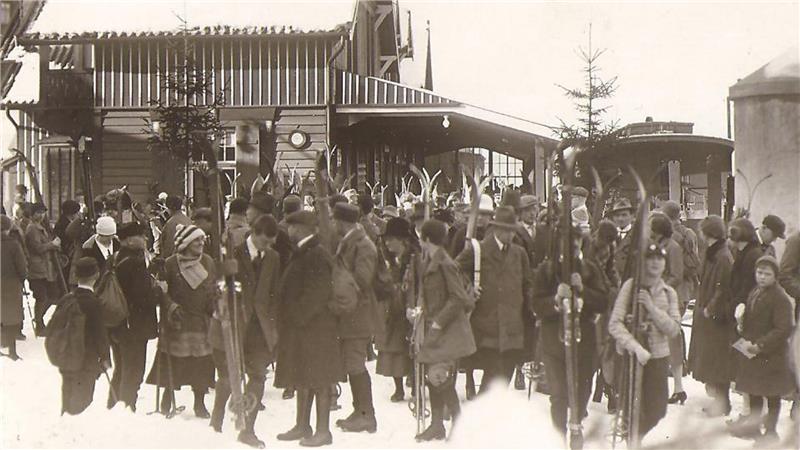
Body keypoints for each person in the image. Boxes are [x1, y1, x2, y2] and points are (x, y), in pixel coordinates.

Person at [532, 222, 609, 441]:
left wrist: (584, 290)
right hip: (554, 341)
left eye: (576, 246)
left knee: (582, 391)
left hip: (584, 341)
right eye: (567, 247)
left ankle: (576, 425)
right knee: (558, 395)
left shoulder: (590, 269)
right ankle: (559, 436)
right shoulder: (546, 271)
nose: (573, 251)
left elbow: (603, 301)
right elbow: (535, 305)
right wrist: (555, 299)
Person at [210, 214, 282, 448]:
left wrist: (273, 325)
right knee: (228, 377)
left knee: (258, 377)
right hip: (233, 324)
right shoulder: (232, 254)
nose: (267, 246)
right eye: (264, 241)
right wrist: (226, 276)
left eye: (271, 243)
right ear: (254, 233)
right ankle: (216, 422)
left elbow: (274, 293)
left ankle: (247, 429)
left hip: (259, 329)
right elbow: (215, 288)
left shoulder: (273, 257)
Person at [275, 211, 344, 447]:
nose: (287, 230)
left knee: (320, 379)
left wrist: (296, 317)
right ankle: (303, 424)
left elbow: (318, 293)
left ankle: (323, 431)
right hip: (306, 328)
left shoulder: (315, 254)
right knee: (303, 376)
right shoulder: (307, 251)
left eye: (291, 226)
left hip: (316, 328)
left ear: (301, 228)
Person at [411, 219, 477, 441]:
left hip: (447, 330)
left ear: (426, 238)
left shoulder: (445, 264)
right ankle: (438, 425)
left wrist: (438, 321)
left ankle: (457, 425)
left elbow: (458, 298)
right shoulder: (431, 260)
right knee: (433, 379)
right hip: (436, 329)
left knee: (440, 379)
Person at [608, 243, 681, 440]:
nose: (656, 263)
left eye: (660, 258)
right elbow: (615, 324)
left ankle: (635, 438)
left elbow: (674, 329)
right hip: (631, 357)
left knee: (657, 409)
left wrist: (651, 307)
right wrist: (635, 347)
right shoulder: (631, 287)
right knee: (631, 408)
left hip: (658, 358)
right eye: (651, 258)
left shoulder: (669, 293)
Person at [456, 206, 533, 391]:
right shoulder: (479, 250)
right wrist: (469, 288)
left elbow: (527, 283)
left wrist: (532, 308)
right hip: (487, 326)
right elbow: (455, 269)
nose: (512, 235)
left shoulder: (519, 253)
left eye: (514, 231)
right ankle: (485, 417)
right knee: (493, 378)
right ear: (498, 229)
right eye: (509, 230)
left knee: (504, 377)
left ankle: (488, 415)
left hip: (513, 327)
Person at [145, 224, 216, 418]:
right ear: (186, 243)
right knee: (174, 362)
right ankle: (167, 400)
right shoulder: (170, 264)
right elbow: (162, 291)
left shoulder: (208, 262)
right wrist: (170, 305)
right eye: (197, 240)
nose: (201, 243)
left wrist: (216, 303)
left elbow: (212, 289)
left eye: (202, 239)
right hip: (178, 321)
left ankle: (200, 404)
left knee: (201, 364)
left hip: (201, 321)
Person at [728, 256, 796, 446]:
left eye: (767, 274)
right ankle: (755, 428)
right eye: (759, 273)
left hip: (770, 355)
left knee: (772, 394)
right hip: (752, 353)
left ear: (775, 276)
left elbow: (783, 329)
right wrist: (741, 325)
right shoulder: (755, 292)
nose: (762, 277)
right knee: (754, 391)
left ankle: (771, 431)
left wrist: (761, 345)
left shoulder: (780, 298)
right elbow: (750, 318)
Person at [330, 202, 380, 434]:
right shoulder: (351, 241)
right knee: (352, 365)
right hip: (349, 313)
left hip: (357, 314)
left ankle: (366, 415)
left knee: (355, 364)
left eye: (334, 219)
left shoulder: (363, 245)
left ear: (341, 221)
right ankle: (359, 410)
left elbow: (362, 279)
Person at [107, 222, 161, 412]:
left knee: (121, 368)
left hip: (117, 320)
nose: (145, 239)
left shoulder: (115, 258)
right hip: (134, 324)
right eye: (141, 235)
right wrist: (158, 292)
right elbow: (142, 296)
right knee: (134, 371)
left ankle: (113, 405)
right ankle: (127, 408)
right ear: (129, 240)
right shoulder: (136, 262)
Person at [688, 215, 735, 416]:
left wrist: (710, 308)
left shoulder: (722, 256)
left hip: (715, 317)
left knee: (717, 360)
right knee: (712, 359)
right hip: (708, 314)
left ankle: (722, 403)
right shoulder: (714, 252)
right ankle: (718, 400)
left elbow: (722, 287)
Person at [59, 257, 112, 415]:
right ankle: (75, 427)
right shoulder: (93, 302)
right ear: (96, 275)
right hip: (86, 359)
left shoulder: (67, 299)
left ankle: (65, 422)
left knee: (68, 393)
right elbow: (100, 334)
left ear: (76, 275)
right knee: (83, 398)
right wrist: (105, 357)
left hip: (67, 356)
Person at [649, 211, 688, 405]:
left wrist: (659, 288)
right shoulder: (656, 246)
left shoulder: (672, 247)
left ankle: (678, 387)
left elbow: (677, 275)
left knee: (673, 344)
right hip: (657, 301)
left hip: (670, 300)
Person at [375, 217, 416, 402]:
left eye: (392, 239)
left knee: (411, 347)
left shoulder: (414, 258)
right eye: (387, 239)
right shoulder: (387, 260)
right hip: (392, 308)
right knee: (393, 347)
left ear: (403, 240)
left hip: (409, 306)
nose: (387, 242)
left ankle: (415, 382)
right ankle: (398, 386)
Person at [25, 202, 62, 336]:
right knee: (42, 297)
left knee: (52, 295)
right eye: (38, 213)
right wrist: (52, 244)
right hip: (37, 269)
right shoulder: (32, 229)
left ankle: (39, 319)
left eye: (43, 212)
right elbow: (37, 248)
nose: (41, 215)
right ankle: (39, 325)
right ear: (32, 214)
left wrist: (54, 245)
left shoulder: (41, 227)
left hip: (45, 268)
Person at [1, 215, 27, 360]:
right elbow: (22, 266)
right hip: (11, 284)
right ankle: (12, 350)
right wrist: (23, 278)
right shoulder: (13, 244)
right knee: (11, 317)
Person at [610, 198, 635, 279]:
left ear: (632, 216)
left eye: (624, 215)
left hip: (630, 279)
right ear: (613, 218)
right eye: (617, 215)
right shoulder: (609, 235)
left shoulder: (637, 235)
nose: (620, 219)